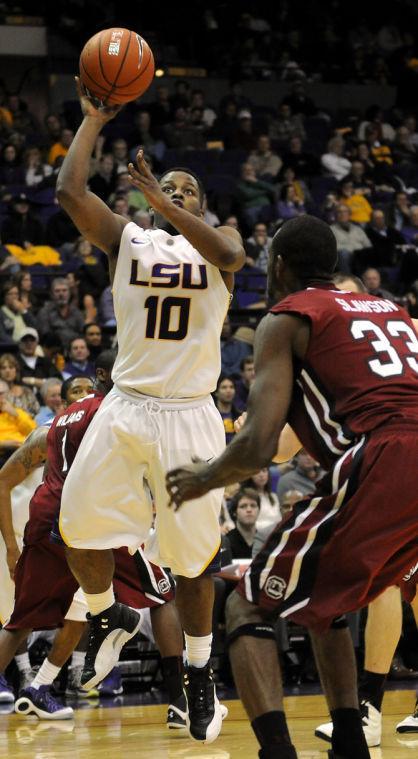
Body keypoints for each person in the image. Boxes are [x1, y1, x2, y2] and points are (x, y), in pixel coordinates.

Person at [166, 214, 418, 759]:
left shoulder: (286, 317)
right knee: (322, 604)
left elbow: (258, 445)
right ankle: (350, 741)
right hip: (401, 452)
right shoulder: (392, 309)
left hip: (386, 455)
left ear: (278, 264)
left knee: (246, 607)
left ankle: (277, 752)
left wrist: (203, 479)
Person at [55, 78, 245, 744]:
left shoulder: (217, 244)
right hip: (127, 404)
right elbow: (69, 194)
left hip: (190, 415)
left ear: (201, 203)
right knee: (75, 525)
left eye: (189, 189)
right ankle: (107, 614)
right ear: (150, 201)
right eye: (169, 188)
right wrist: (91, 122)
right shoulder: (132, 240)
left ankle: (198, 669)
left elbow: (231, 254)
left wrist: (168, 201)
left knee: (193, 562)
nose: (177, 194)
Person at [0, 361, 195, 728]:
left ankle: (40, 686)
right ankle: (180, 700)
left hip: (46, 519)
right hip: (89, 519)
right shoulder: (111, 412)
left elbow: (6, 475)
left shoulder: (54, 424)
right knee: (161, 595)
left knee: (29, 619)